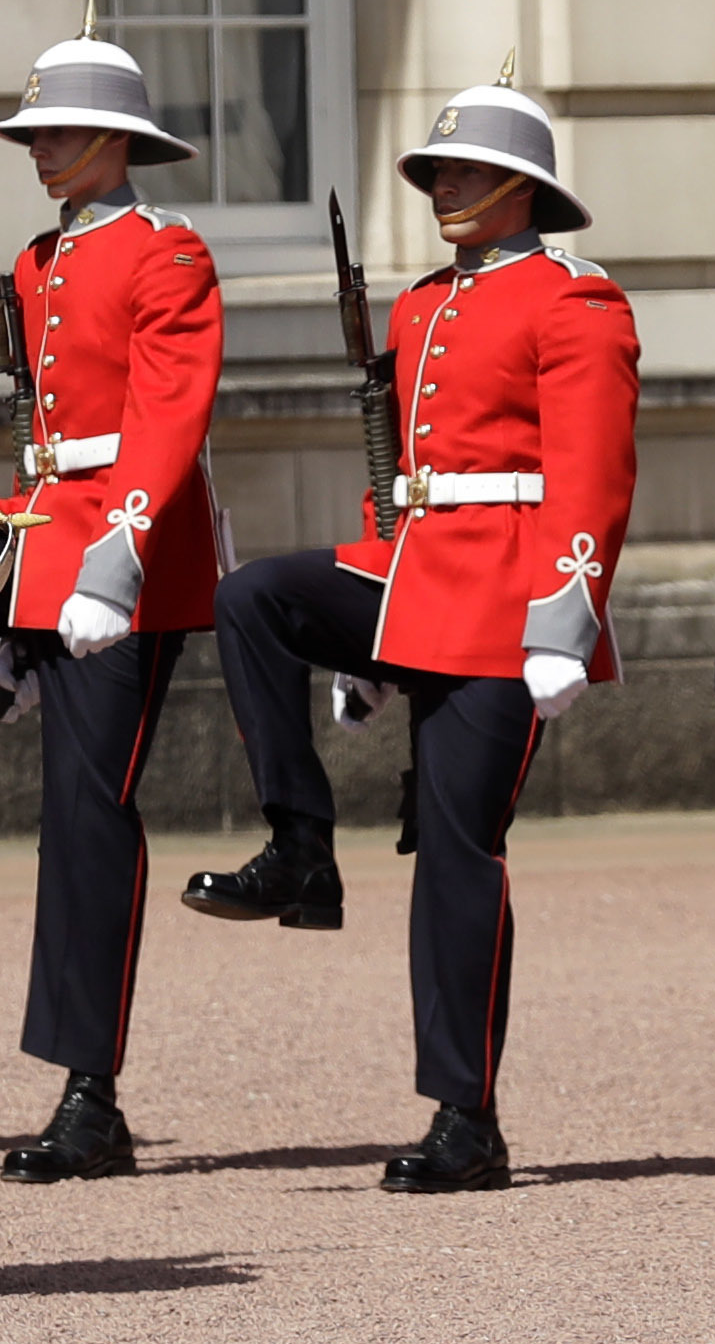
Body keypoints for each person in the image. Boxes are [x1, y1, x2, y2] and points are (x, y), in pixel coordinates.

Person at [187, 80, 643, 1191]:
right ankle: (301, 844)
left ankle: (465, 1115)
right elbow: (399, 480)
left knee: (455, 852)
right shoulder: (422, 305)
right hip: (420, 583)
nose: (444, 188)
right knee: (254, 599)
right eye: (435, 171)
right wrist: (368, 636)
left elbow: (595, 475)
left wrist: (565, 618)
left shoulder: (578, 301)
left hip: (509, 605)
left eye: (465, 171)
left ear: (522, 186)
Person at [0, 33, 228, 1185]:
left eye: (63, 134)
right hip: (48, 545)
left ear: (119, 140)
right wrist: (21, 615)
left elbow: (170, 415)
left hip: (132, 552)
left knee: (91, 807)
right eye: (34, 136)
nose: (44, 153)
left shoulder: (165, 252)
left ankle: (91, 1090)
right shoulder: (36, 264)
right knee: (63, 807)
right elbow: (38, 440)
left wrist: (119, 550)